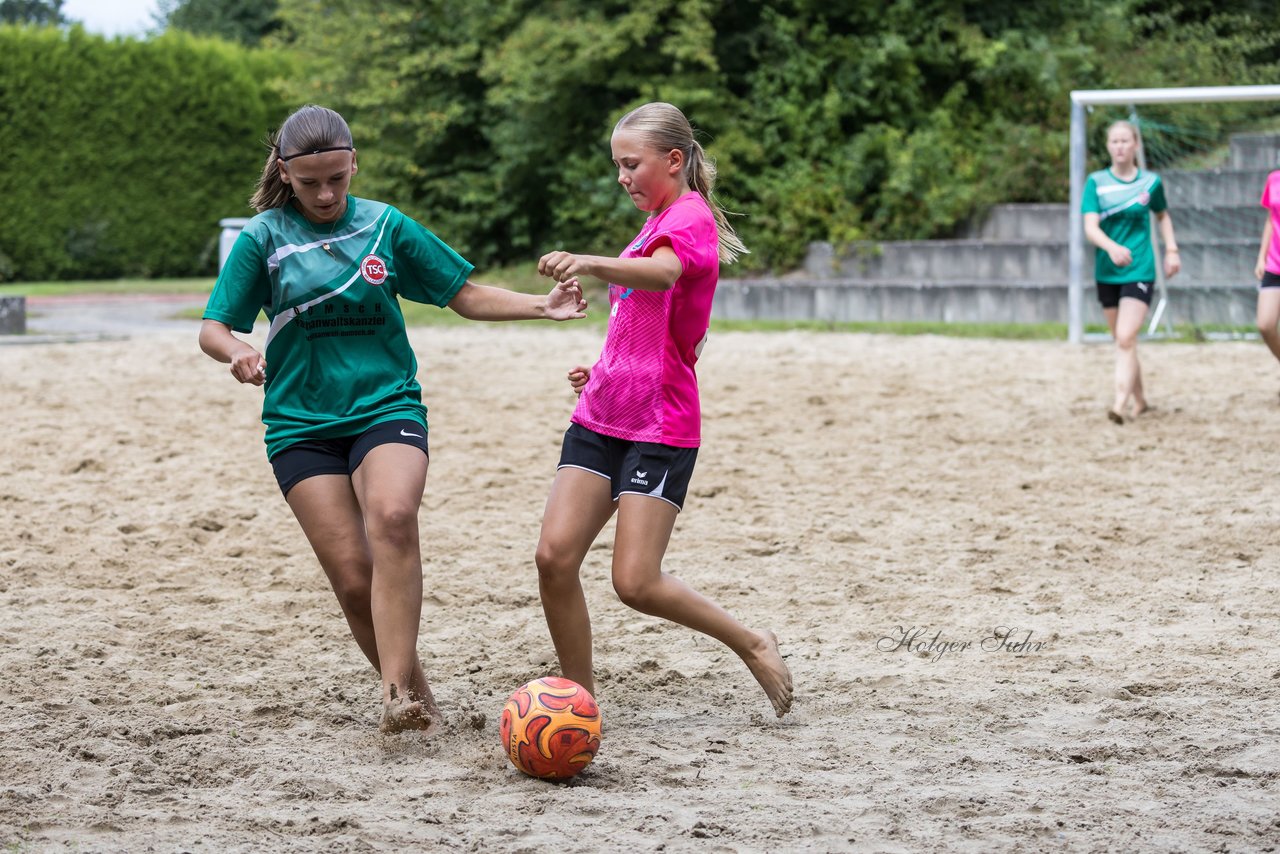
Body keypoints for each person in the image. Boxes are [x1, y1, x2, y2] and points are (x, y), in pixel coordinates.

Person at [199, 105, 586, 735]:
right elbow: (213, 326)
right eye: (310, 183)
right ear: (286, 173)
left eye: (337, 179)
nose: (325, 194)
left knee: (395, 517)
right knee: (354, 583)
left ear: (353, 165)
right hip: (300, 425)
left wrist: (541, 306)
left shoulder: (384, 226)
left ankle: (393, 693)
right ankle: (419, 702)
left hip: (386, 407)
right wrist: (238, 350)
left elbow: (461, 294)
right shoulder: (264, 238)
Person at [532, 102, 793, 719]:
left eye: (631, 165)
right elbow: (642, 328)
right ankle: (578, 703)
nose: (622, 177)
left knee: (636, 583)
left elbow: (665, 276)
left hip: (659, 425)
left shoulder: (689, 219)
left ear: (673, 161)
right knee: (553, 557)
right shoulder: (650, 223)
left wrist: (592, 263)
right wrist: (599, 373)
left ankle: (752, 643)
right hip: (603, 413)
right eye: (617, 166)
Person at [1082, 120, 1181, 424]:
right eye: (1115, 142)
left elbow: (1162, 216)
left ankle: (1119, 403)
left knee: (1125, 337)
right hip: (1107, 271)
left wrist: (1172, 249)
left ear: (1136, 144)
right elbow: (1090, 227)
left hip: (1140, 269)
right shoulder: (1096, 182)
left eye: (1126, 141)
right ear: (1108, 146)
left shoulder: (1150, 183)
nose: (1120, 147)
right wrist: (1111, 247)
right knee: (1123, 341)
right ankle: (1141, 399)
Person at [1254, 168, 1280, 377]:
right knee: (1265, 325)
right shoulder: (1274, 178)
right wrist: (1261, 257)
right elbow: (1271, 219)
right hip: (1274, 263)